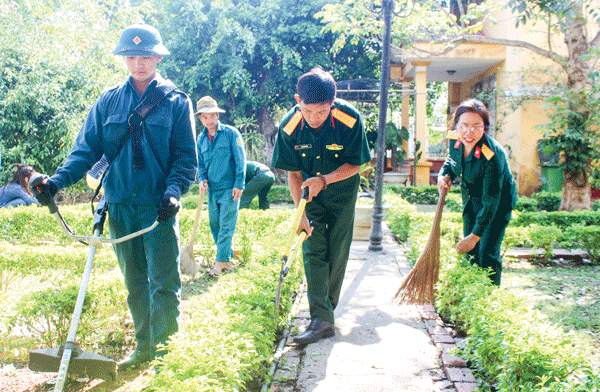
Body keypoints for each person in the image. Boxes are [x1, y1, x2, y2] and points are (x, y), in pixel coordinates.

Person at [33, 24, 198, 370]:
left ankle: (166, 357)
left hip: (159, 208)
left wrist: (173, 193)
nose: (139, 63)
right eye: (132, 56)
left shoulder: (176, 102)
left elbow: (185, 158)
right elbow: (84, 152)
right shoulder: (108, 101)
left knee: (164, 283)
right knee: (135, 282)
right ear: (124, 58)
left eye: (146, 56)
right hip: (120, 204)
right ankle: (143, 349)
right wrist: (56, 183)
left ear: (157, 57)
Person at [271, 68, 371, 345]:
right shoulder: (289, 126)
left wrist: (324, 180)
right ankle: (321, 319)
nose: (314, 118)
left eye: (322, 111)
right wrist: (299, 213)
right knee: (313, 246)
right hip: (308, 195)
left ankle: (325, 308)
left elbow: (357, 163)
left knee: (337, 248)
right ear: (297, 101)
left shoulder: (349, 120)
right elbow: (293, 173)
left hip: (341, 190)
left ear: (333, 102)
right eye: (307, 110)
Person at [438, 98, 517, 286]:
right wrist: (444, 174)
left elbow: (491, 201)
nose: (469, 132)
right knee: (470, 253)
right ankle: (471, 292)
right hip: (471, 199)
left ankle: (489, 297)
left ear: (485, 127)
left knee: (486, 252)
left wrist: (475, 236)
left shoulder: (492, 154)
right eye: (464, 125)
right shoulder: (454, 139)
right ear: (456, 124)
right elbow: (451, 161)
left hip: (497, 204)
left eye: (476, 126)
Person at [195, 96, 246, 277]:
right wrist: (202, 179)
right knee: (214, 225)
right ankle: (226, 257)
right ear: (200, 118)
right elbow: (201, 165)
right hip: (212, 190)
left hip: (229, 188)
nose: (210, 120)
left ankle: (219, 263)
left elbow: (241, 161)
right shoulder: (201, 140)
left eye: (213, 116)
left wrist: (239, 184)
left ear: (218, 115)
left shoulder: (231, 134)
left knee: (226, 226)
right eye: (205, 117)